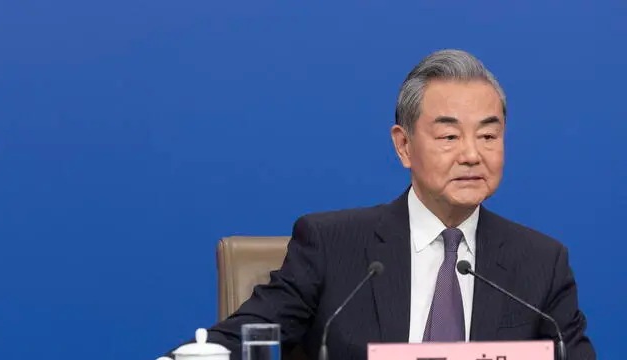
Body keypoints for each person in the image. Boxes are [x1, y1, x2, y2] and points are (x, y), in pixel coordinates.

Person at [160, 49, 596, 360]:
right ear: (404, 146)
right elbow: (249, 333)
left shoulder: (540, 263)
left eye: (488, 135)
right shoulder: (332, 245)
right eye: (449, 136)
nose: (471, 154)